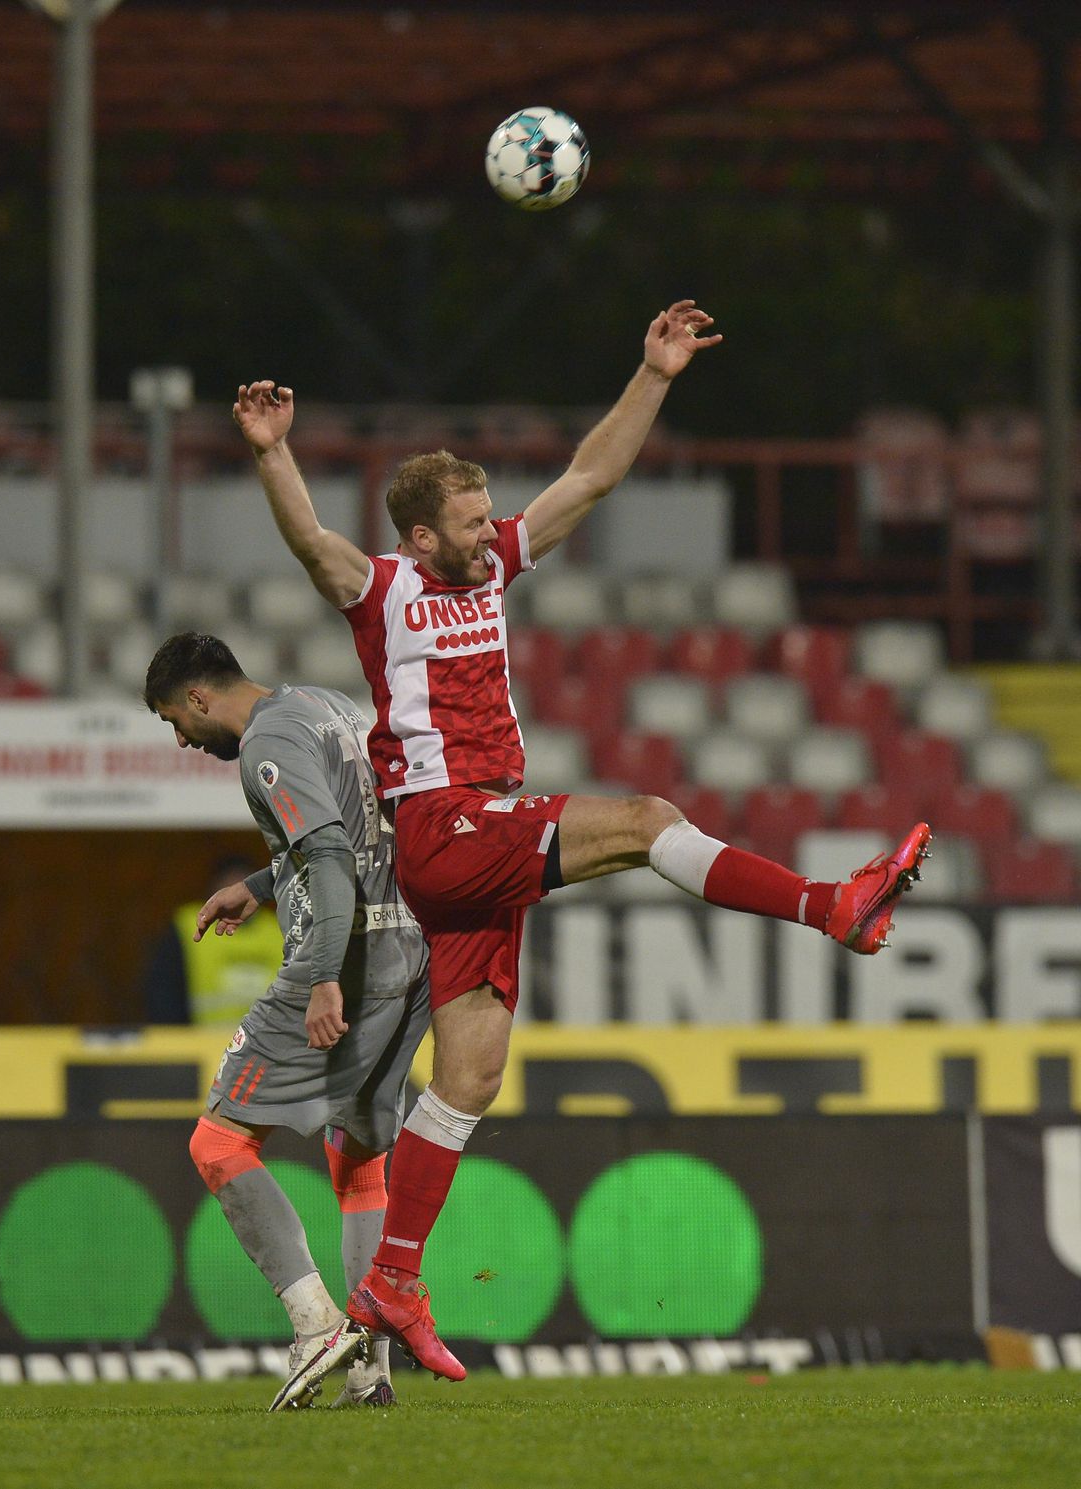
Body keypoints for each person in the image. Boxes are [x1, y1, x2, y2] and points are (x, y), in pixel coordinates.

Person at [233, 299, 932, 1381]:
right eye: (470, 523)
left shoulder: (494, 567)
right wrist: (274, 452)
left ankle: (393, 1278)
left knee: (470, 1075)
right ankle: (829, 906)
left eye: (488, 517)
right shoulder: (384, 589)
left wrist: (654, 375)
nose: (490, 532)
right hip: (447, 825)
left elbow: (592, 478)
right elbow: (310, 543)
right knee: (647, 821)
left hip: (477, 842)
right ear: (420, 537)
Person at [144, 631, 434, 1409]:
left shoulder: (265, 743)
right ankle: (371, 1369)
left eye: (175, 720)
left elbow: (332, 857)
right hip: (411, 950)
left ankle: (315, 1324)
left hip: (347, 957)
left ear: (198, 697)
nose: (182, 738)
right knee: (358, 1156)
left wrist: (324, 977)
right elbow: (360, 830)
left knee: (218, 1141)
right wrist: (261, 883)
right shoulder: (324, 706)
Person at [142, 853, 287, 1026]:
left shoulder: (279, 928)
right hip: (204, 1039)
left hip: (267, 1039)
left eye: (243, 888)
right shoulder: (188, 925)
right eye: (229, 887)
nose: (236, 898)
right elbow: (163, 990)